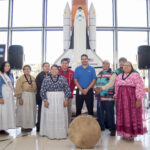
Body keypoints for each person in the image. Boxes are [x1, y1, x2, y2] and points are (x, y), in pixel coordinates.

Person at [114, 61, 147, 140]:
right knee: (123, 115)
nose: (126, 67)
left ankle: (131, 133)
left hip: (132, 98)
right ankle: (124, 132)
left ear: (131, 67)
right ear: (122, 67)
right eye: (124, 65)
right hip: (121, 99)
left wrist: (138, 99)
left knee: (132, 114)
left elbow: (139, 87)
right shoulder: (119, 76)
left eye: (128, 65)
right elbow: (116, 88)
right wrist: (116, 98)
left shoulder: (136, 75)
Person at [40, 65, 71, 139]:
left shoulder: (62, 78)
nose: (54, 71)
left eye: (55, 69)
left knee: (60, 115)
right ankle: (49, 133)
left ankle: (60, 133)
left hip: (60, 99)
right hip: (49, 99)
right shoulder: (46, 79)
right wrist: (45, 100)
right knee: (50, 115)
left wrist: (66, 99)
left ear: (58, 70)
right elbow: (42, 90)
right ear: (50, 71)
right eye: (52, 69)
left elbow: (67, 89)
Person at [94, 60, 115, 136]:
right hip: (100, 97)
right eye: (103, 63)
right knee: (100, 114)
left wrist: (101, 89)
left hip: (108, 98)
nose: (105, 65)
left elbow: (111, 84)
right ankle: (101, 127)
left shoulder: (113, 74)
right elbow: (96, 83)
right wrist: (95, 89)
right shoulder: (99, 74)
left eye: (107, 63)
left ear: (109, 65)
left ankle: (112, 129)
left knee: (110, 114)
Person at [15, 65, 37, 132]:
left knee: (31, 111)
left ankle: (29, 126)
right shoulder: (21, 78)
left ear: (30, 70)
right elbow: (18, 88)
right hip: (24, 96)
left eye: (28, 69)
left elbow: (36, 88)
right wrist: (20, 98)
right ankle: (23, 126)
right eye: (25, 69)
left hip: (32, 96)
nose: (27, 70)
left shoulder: (33, 78)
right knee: (24, 111)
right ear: (23, 70)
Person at [0, 61, 16, 135]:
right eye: (6, 66)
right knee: (2, 111)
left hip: (9, 95)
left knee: (7, 111)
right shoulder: (1, 75)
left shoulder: (10, 74)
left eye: (8, 66)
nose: (7, 67)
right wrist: (0, 97)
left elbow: (12, 85)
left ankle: (4, 128)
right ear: (3, 67)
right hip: (3, 94)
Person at [59, 58, 75, 124]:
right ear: (61, 64)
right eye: (63, 63)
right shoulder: (57, 72)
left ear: (68, 64)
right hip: (59, 95)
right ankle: (60, 125)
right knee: (59, 110)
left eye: (66, 63)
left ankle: (68, 125)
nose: (64, 64)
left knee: (68, 110)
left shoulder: (72, 72)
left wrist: (68, 93)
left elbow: (73, 84)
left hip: (69, 95)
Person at [35, 62, 50, 132]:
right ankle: (39, 127)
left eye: (48, 66)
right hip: (41, 97)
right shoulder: (40, 75)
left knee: (48, 112)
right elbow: (40, 86)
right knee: (41, 112)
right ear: (43, 67)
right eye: (45, 66)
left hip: (50, 97)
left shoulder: (50, 75)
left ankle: (47, 126)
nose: (47, 67)